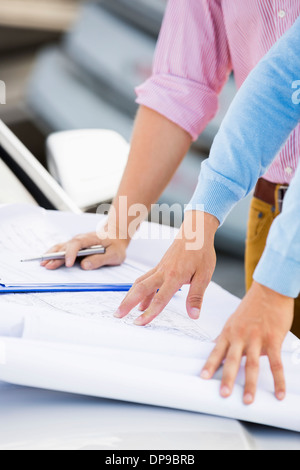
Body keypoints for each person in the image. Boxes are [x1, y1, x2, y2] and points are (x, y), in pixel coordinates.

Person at [43, 3, 300, 401]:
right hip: (271, 205)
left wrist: (275, 286)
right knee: (267, 404)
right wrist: (122, 225)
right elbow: (274, 83)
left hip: (285, 251)